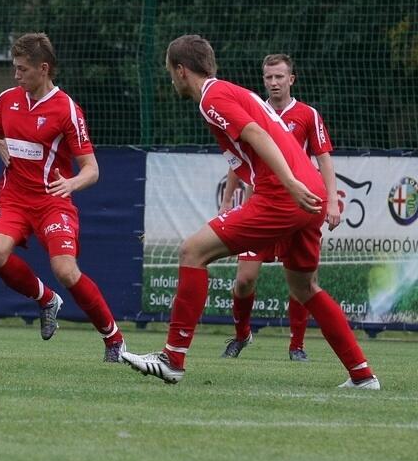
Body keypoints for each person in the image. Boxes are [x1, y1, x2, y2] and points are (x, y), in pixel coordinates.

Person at [121, 35, 379, 389]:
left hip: (283, 195)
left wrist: (287, 182)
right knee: (305, 287)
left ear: (181, 71)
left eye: (170, 72)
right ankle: (363, 375)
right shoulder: (229, 91)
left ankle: (172, 359)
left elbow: (256, 133)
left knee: (192, 252)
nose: (170, 79)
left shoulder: (211, 97)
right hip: (311, 192)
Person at [0, 32, 127, 362]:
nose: (16, 75)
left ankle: (113, 338)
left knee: (66, 271)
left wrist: (72, 184)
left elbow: (92, 169)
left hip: (52, 202)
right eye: (14, 68)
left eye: (22, 69)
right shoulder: (8, 99)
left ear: (43, 69)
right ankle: (45, 299)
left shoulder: (67, 109)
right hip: (13, 199)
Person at [218, 54, 340, 362]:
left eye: (279, 77)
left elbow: (323, 158)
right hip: (259, 204)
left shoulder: (307, 115)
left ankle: (296, 346)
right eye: (268, 77)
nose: (273, 82)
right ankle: (242, 334)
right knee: (245, 279)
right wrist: (226, 201)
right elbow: (239, 159)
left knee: (301, 283)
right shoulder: (251, 110)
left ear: (291, 79)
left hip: (296, 208)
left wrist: (332, 201)